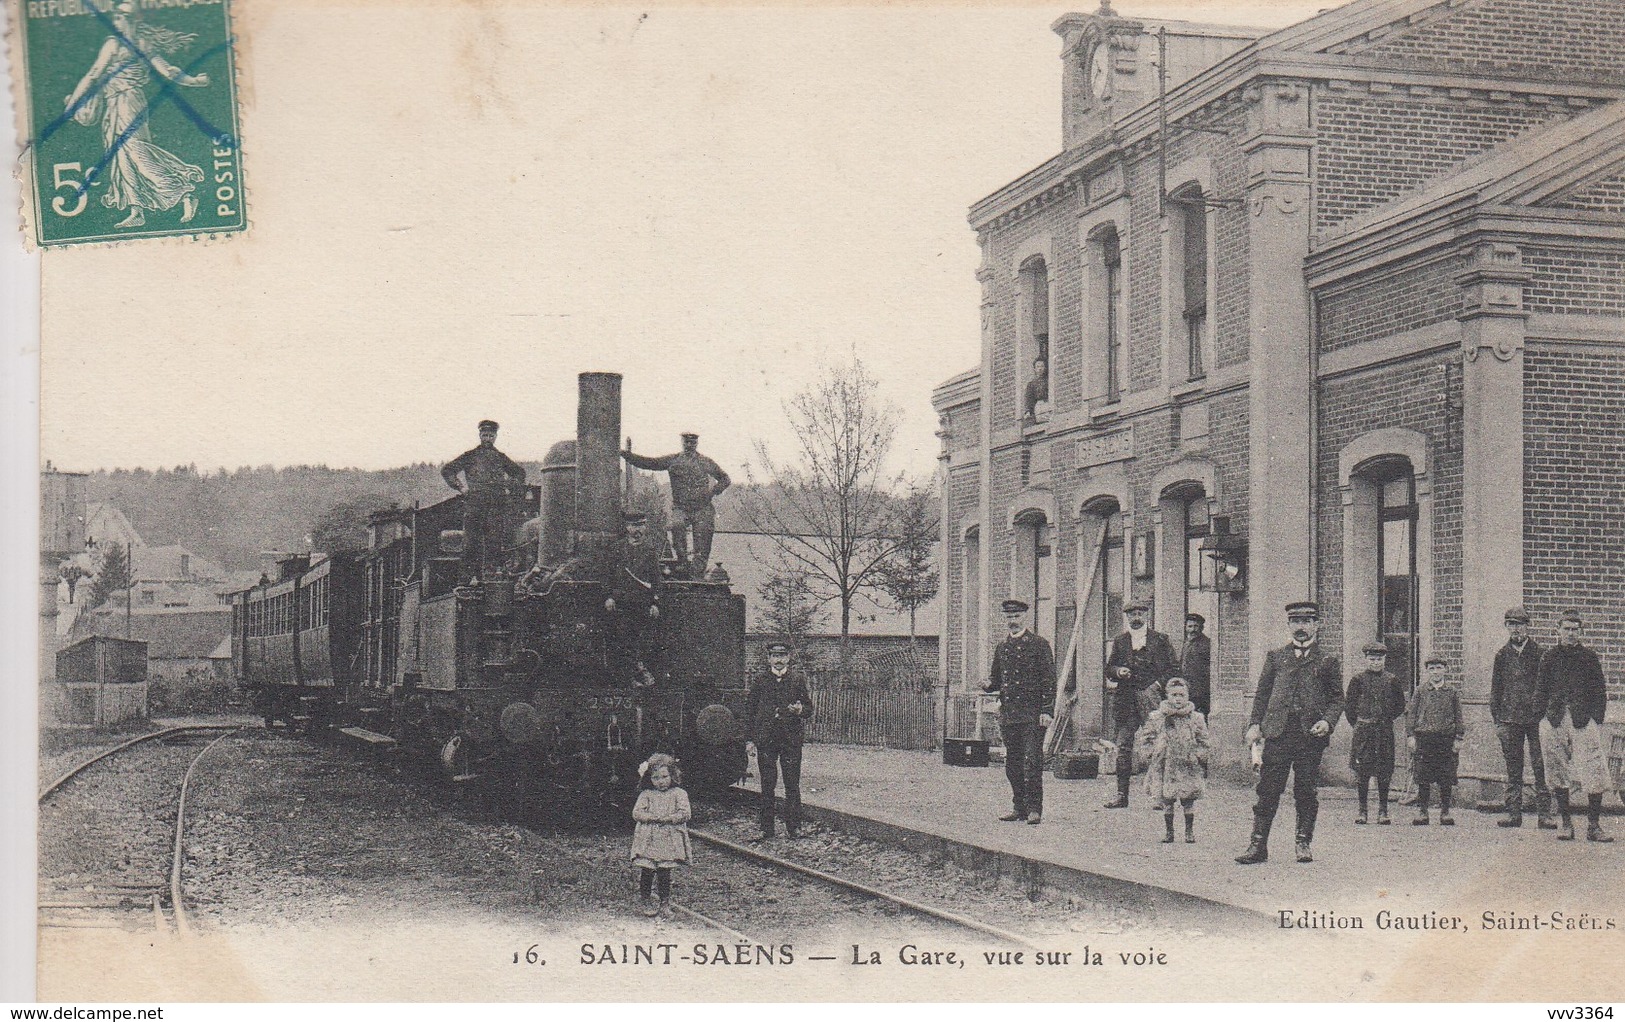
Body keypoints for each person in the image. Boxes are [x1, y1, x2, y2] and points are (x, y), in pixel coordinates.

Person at [64, 0, 209, 229]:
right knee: (121, 156)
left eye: (125, 16)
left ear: (135, 20)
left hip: (130, 101)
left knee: (136, 150)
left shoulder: (138, 43)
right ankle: (136, 210)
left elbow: (167, 70)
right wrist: (73, 103)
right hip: (114, 103)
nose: (120, 20)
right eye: (118, 16)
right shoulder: (114, 44)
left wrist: (194, 81)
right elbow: (93, 75)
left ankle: (182, 192)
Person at [1236, 601, 1344, 865]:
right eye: (1296, 622)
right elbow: (1262, 694)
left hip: (1309, 736)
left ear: (1316, 625)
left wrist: (1328, 722)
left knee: (1306, 790)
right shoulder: (1276, 657)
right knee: (1268, 790)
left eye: (1307, 622)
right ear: (1289, 625)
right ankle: (1257, 846)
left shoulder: (1328, 661)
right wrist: (1254, 724)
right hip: (1277, 733)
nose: (1301, 627)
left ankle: (1303, 843)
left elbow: (1337, 699)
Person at [1539, 611, 1613, 843]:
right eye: (1566, 629)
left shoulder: (1589, 657)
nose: (1571, 633)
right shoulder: (1549, 657)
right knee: (1557, 770)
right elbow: (1540, 690)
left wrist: (1596, 720)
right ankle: (1566, 822)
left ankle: (1594, 825)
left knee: (1594, 769)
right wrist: (1543, 717)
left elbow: (1599, 691)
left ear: (1580, 632)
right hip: (1555, 719)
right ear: (1558, 630)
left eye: (1575, 629)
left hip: (1583, 719)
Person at [983, 599, 1055, 824]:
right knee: (1012, 763)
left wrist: (1047, 710)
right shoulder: (1002, 647)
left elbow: (1049, 680)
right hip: (1009, 714)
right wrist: (987, 684)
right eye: (1009, 617)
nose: (1012, 621)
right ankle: (1019, 807)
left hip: (1032, 714)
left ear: (1025, 617)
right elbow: (996, 680)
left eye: (1016, 617)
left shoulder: (1039, 644)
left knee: (1032, 761)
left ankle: (1035, 809)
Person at [621, 433, 731, 578]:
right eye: (687, 442)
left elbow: (725, 479)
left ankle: (697, 573)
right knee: (677, 526)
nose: (689, 445)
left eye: (693, 442)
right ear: (682, 442)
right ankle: (683, 563)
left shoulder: (706, 462)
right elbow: (651, 463)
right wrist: (629, 456)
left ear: (696, 443)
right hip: (681, 507)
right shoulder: (674, 460)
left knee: (703, 539)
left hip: (702, 508)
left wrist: (713, 492)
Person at [1102, 600, 1177, 809]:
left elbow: (1173, 669)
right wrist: (1118, 672)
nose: (1136, 618)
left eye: (1140, 614)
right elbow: (1109, 669)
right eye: (1132, 614)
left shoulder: (1161, 640)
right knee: (1124, 746)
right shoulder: (1120, 641)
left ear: (1146, 616)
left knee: (1158, 746)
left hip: (1152, 699)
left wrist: (1157, 684)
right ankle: (1121, 795)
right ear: (1127, 617)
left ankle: (1160, 796)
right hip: (1127, 701)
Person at [1491, 607, 1552, 829]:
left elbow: (1547, 687)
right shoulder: (1501, 655)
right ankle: (1513, 814)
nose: (1516, 629)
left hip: (1536, 719)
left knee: (1540, 765)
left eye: (1520, 624)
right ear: (1506, 627)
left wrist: (1544, 714)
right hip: (1509, 719)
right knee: (1513, 767)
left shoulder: (1540, 653)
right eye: (1512, 624)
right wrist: (1497, 721)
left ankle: (1544, 814)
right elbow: (1495, 690)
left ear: (1528, 626)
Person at [746, 640, 813, 841]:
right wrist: (749, 740)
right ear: (769, 659)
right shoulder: (760, 681)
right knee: (767, 784)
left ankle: (794, 828)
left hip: (790, 741)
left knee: (792, 784)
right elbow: (750, 711)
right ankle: (766, 829)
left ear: (788, 658)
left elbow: (809, 709)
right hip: (766, 740)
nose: (778, 660)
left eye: (782, 656)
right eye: (775, 656)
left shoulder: (797, 680)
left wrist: (801, 710)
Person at [442, 420, 527, 578]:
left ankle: (490, 578)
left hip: (496, 506)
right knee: (470, 545)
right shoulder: (470, 456)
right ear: (480, 435)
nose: (488, 439)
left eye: (491, 436)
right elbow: (447, 470)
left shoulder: (500, 458)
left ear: (495, 437)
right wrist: (461, 487)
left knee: (494, 543)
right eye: (485, 435)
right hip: (474, 505)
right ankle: (466, 581)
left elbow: (519, 473)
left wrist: (508, 485)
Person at [1135, 677, 1209, 844]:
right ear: (1167, 696)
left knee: (1188, 799)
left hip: (1187, 764)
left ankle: (1189, 831)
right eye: (1174, 695)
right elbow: (1146, 738)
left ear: (1188, 696)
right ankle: (1169, 832)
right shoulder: (1157, 717)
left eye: (1182, 695)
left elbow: (1204, 740)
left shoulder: (1196, 718)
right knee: (1167, 799)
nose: (1178, 699)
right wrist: (1151, 754)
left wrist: (1198, 755)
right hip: (1165, 764)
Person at [1345, 641, 1406, 825]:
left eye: (1379, 659)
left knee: (1384, 771)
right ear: (1366, 659)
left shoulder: (1392, 680)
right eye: (1372, 659)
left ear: (1384, 659)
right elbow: (1349, 707)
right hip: (1364, 732)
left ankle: (1383, 810)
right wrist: (1360, 724)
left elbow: (1399, 706)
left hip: (1384, 731)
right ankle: (1362, 811)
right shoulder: (1357, 680)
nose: (1375, 662)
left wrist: (1385, 720)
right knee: (1362, 772)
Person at [604, 512, 663, 687]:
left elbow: (656, 580)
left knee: (643, 640)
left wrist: (655, 603)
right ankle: (632, 676)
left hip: (642, 603)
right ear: (627, 527)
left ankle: (639, 670)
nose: (637, 530)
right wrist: (609, 596)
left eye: (641, 526)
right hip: (621, 602)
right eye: (634, 526)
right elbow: (607, 575)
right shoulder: (617, 549)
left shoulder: (650, 551)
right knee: (622, 639)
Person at [630, 753, 691, 919]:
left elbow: (686, 813)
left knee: (664, 873)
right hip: (649, 840)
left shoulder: (679, 793)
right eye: (656, 778)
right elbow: (636, 813)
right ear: (650, 779)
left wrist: (671, 818)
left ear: (672, 775)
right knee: (647, 871)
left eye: (665, 777)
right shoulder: (646, 795)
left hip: (668, 840)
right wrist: (650, 817)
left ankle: (665, 903)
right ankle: (646, 899)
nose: (661, 781)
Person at [1407, 654, 1465, 826]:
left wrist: (1459, 738)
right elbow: (1412, 715)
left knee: (1446, 777)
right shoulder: (1420, 691)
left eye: (1439, 668)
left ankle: (1445, 812)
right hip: (1424, 739)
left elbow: (1459, 717)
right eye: (1431, 669)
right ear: (1427, 671)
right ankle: (1423, 811)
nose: (1435, 672)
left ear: (1445, 670)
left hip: (1445, 740)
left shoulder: (1452, 692)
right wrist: (1411, 736)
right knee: (1423, 776)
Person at [1179, 613, 1213, 718]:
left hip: (1200, 688)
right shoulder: (1186, 642)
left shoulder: (1206, 644)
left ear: (1201, 628)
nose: (1193, 629)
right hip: (1186, 685)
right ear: (1185, 627)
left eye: (1196, 626)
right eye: (1190, 626)